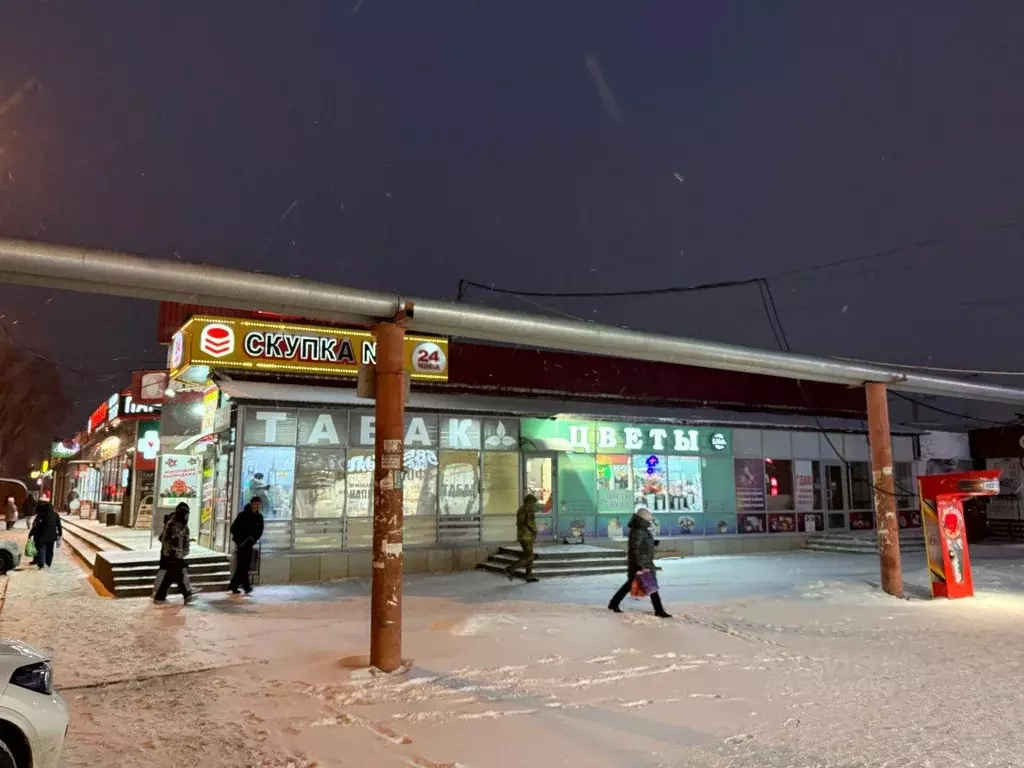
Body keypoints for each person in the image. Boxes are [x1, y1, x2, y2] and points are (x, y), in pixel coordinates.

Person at [608, 507, 671, 618]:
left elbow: (642, 544)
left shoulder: (641, 530)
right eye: (648, 519)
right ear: (643, 519)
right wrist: (638, 565)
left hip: (643, 562)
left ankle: (613, 604)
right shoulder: (638, 530)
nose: (650, 521)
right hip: (640, 563)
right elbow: (634, 548)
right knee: (651, 586)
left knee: (631, 585)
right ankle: (659, 610)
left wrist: (652, 543)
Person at [153, 503, 195, 604]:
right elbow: (165, 539)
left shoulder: (184, 526)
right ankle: (186, 594)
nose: (187, 517)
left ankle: (160, 596)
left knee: (171, 576)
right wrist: (173, 549)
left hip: (179, 555)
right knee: (177, 575)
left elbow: (185, 540)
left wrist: (185, 551)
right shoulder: (172, 524)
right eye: (185, 514)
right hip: (172, 555)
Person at [229, 497, 265, 595]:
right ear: (252, 504)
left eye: (259, 504)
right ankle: (244, 586)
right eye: (255, 503)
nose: (257, 505)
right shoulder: (243, 515)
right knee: (243, 566)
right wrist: (239, 539)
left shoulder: (259, 517)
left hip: (249, 544)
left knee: (244, 566)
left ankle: (236, 585)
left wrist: (252, 539)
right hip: (241, 544)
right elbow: (233, 528)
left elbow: (259, 531)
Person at [505, 494, 539, 583]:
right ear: (530, 501)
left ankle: (529, 575)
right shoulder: (529, 508)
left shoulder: (521, 509)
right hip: (527, 535)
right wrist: (535, 530)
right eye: (533, 503)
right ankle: (511, 568)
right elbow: (529, 522)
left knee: (528, 555)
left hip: (521, 535)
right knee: (530, 556)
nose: (534, 505)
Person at [29, 502, 62, 569]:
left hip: (42, 536)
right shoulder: (56, 515)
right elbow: (59, 526)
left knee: (42, 549)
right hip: (52, 536)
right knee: (50, 550)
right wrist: (60, 534)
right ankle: (48, 563)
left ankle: (41, 564)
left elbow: (36, 526)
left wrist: (31, 533)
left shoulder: (41, 515)